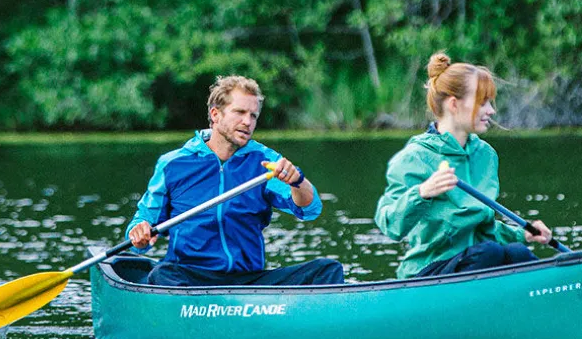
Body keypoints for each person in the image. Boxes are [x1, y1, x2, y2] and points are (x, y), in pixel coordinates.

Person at [127, 74, 344, 286]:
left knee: (327, 269)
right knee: (162, 275)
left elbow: (310, 209)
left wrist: (297, 181)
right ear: (215, 114)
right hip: (189, 277)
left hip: (248, 281)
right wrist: (139, 232)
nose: (247, 122)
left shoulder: (265, 161)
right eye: (239, 112)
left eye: (253, 116)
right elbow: (141, 226)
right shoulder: (172, 165)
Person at [375, 52, 552, 279]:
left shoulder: (486, 155)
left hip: (479, 257)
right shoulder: (414, 157)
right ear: (454, 104)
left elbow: (480, 230)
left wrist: (523, 234)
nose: (491, 111)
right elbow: (390, 225)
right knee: (489, 252)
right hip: (430, 270)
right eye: (482, 102)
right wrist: (423, 192)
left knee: (517, 253)